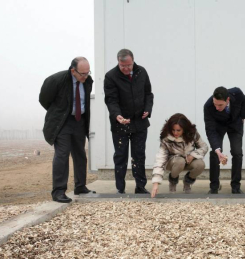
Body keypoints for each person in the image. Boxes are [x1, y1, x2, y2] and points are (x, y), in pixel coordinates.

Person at [39, 57, 95, 203]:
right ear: (72, 71)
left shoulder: (87, 81)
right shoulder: (56, 80)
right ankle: (58, 191)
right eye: (82, 74)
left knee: (80, 154)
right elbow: (44, 100)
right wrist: (60, 112)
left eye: (88, 73)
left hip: (79, 121)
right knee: (62, 155)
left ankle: (80, 186)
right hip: (62, 122)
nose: (85, 76)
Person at [104, 49, 154, 194]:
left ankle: (140, 186)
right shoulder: (111, 76)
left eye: (128, 65)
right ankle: (120, 188)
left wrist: (148, 109)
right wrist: (117, 115)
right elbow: (111, 100)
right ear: (118, 62)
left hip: (140, 122)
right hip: (121, 123)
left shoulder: (141, 72)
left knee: (139, 155)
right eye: (122, 66)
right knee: (121, 156)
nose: (126, 68)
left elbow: (148, 94)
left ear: (133, 61)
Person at [151, 113, 208, 198]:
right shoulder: (166, 138)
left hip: (189, 160)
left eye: (178, 130)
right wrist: (156, 183)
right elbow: (160, 159)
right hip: (173, 162)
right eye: (173, 130)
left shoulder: (192, 134)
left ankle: (188, 181)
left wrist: (193, 155)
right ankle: (173, 181)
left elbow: (204, 147)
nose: (175, 133)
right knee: (180, 161)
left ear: (184, 129)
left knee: (201, 164)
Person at [204, 86, 245, 194]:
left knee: (237, 153)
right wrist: (218, 150)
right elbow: (210, 130)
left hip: (235, 124)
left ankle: (236, 186)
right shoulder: (208, 106)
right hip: (218, 126)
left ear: (228, 100)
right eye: (215, 104)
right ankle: (214, 187)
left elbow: (243, 102)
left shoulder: (237, 93)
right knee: (215, 153)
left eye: (220, 105)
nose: (217, 107)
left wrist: (243, 116)